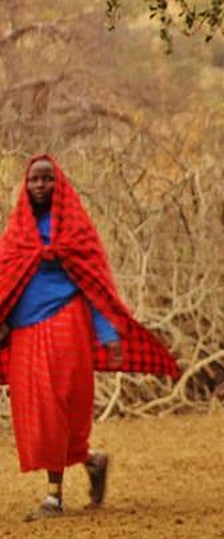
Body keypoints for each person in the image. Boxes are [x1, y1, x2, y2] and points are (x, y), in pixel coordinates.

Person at [0, 154, 179, 520]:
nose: (40, 186)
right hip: (24, 333)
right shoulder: (16, 232)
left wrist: (108, 333)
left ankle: (53, 497)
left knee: (58, 407)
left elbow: (95, 286)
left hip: (66, 323)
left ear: (59, 185)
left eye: (47, 179)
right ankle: (93, 461)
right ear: (25, 185)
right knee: (32, 412)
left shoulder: (77, 231)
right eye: (34, 180)